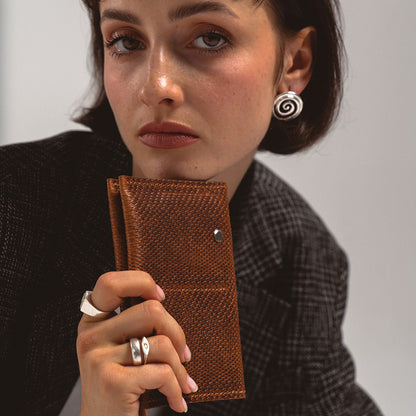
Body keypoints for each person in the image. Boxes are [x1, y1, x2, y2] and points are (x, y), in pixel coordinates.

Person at [0, 0, 384, 415]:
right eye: (126, 41)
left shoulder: (299, 258)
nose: (156, 86)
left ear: (295, 63)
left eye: (210, 38)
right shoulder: (13, 205)